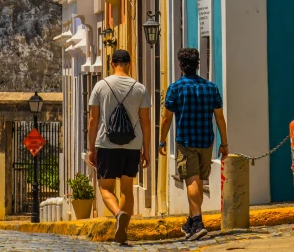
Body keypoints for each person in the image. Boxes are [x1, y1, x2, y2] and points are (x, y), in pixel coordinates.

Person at [159, 47, 228, 241]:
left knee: (191, 180)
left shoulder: (176, 88)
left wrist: (161, 140)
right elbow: (220, 117)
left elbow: (166, 118)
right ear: (198, 65)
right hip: (206, 141)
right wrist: (224, 143)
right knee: (198, 181)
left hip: (186, 141)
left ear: (180, 65)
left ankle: (197, 222)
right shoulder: (211, 88)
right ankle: (191, 221)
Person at [88, 49, 151, 245]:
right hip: (132, 145)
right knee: (127, 189)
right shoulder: (139, 88)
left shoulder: (101, 86)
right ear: (130, 64)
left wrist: (91, 148)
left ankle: (118, 214)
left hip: (107, 144)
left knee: (105, 188)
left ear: (111, 63)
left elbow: (93, 119)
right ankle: (123, 228)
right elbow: (146, 122)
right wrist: (146, 149)